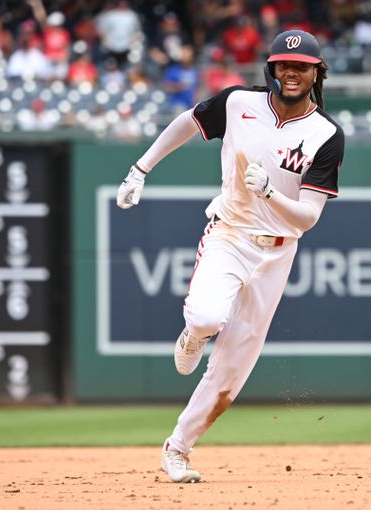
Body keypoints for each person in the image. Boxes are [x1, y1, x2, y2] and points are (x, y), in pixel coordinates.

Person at [116, 29, 344, 483]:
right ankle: (192, 336)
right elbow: (186, 123)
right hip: (230, 232)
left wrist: (270, 194)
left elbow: (307, 218)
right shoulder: (239, 103)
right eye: (284, 65)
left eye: (301, 66)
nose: (292, 73)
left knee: (232, 371)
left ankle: (177, 449)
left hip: (278, 252)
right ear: (272, 69)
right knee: (204, 317)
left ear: (317, 73)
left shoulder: (326, 134)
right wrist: (140, 168)